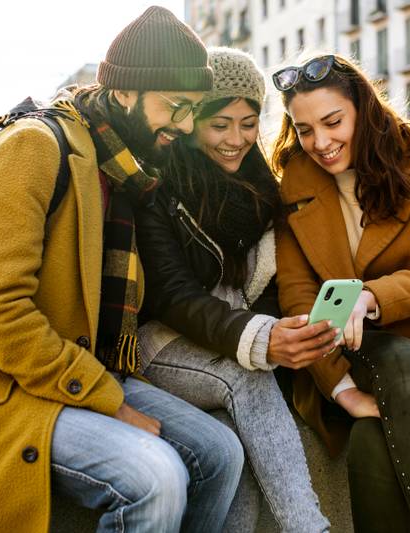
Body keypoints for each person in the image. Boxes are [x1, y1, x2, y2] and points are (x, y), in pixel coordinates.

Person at [0, 7, 244, 533]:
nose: (186, 125)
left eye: (193, 109)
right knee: (155, 477)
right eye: (176, 106)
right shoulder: (32, 147)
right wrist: (111, 406)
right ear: (124, 92)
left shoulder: (122, 167)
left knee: (219, 453)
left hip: (63, 365)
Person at [271, 53, 410, 532]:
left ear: (363, 108)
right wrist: (343, 391)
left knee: (374, 436)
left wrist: (369, 296)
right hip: (335, 353)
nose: (321, 143)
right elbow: (296, 297)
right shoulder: (292, 186)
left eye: (333, 122)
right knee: (394, 371)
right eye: (304, 129)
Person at [135, 47, 333, 533]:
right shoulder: (158, 185)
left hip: (228, 341)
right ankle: (308, 527)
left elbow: (267, 282)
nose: (236, 139)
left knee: (233, 447)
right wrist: (260, 337)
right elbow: (172, 295)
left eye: (248, 123)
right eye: (220, 124)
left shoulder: (262, 185)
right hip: (162, 343)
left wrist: (280, 328)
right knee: (247, 378)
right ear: (192, 120)